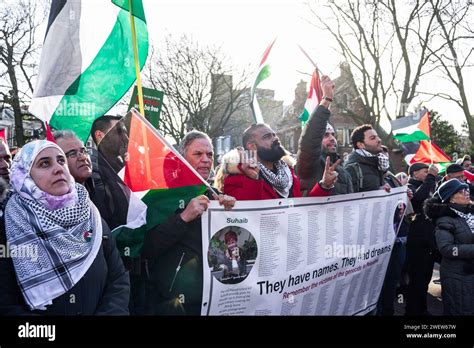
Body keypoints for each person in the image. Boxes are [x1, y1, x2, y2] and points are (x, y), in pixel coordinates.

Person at [0, 140, 129, 315]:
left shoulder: (91, 215)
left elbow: (118, 280)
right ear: (24, 176)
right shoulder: (9, 226)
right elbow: (5, 302)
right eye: (44, 163)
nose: (58, 168)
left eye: (61, 160)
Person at [142, 130, 236, 315]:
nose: (206, 159)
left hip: (212, 296)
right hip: (174, 301)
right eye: (198, 154)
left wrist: (230, 212)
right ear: (182, 157)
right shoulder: (162, 195)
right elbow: (148, 247)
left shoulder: (214, 193)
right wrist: (183, 217)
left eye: (210, 154)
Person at [223, 123, 338, 200]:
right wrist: (253, 180)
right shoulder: (236, 177)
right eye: (267, 137)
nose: (275, 139)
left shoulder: (290, 172)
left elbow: (302, 210)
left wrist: (324, 185)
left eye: (274, 135)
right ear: (252, 146)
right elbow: (247, 213)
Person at [296, 75, 353, 196]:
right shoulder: (309, 165)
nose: (332, 138)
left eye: (333, 134)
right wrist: (327, 99)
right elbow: (310, 140)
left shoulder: (343, 172)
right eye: (325, 135)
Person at [424, 179, 474, 315]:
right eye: (461, 191)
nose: (466, 193)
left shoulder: (469, 213)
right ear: (451, 198)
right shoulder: (445, 219)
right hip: (458, 276)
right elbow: (447, 249)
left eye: (467, 189)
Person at [405, 161, 439, 315]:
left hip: (428, 241)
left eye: (428, 171)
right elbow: (418, 199)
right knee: (417, 279)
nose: (427, 173)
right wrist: (431, 177)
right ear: (414, 173)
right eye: (424, 171)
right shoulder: (408, 187)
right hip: (416, 242)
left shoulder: (428, 186)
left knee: (425, 279)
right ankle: (412, 310)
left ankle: (422, 309)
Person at [344, 124, 391, 193]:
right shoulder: (352, 168)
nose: (379, 140)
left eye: (377, 137)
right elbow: (349, 199)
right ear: (360, 145)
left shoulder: (378, 163)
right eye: (373, 138)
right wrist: (377, 192)